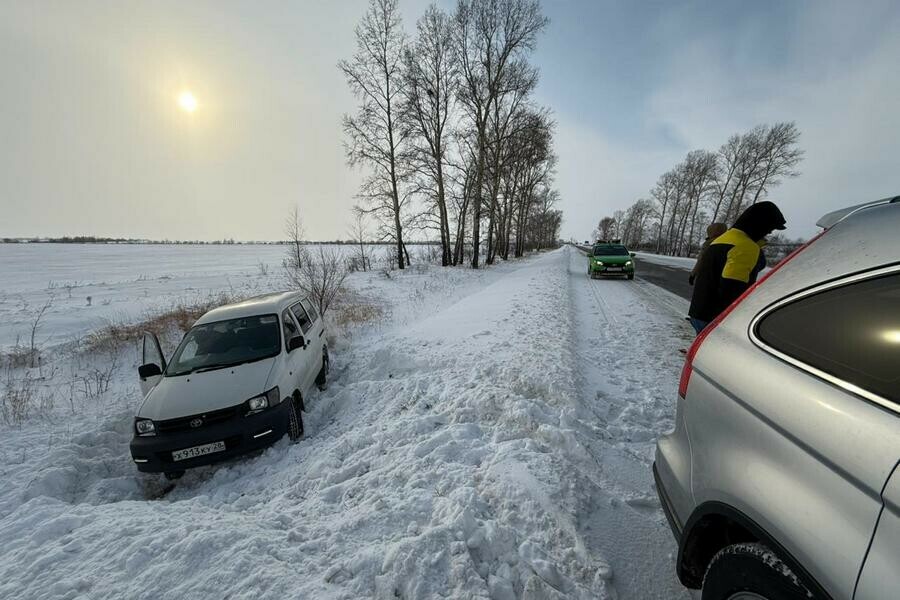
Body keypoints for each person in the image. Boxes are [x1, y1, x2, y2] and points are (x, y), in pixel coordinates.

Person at [687, 201, 786, 335]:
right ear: (760, 224)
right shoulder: (745, 246)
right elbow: (732, 290)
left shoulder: (722, 239)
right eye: (770, 228)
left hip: (699, 311)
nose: (768, 232)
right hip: (716, 319)